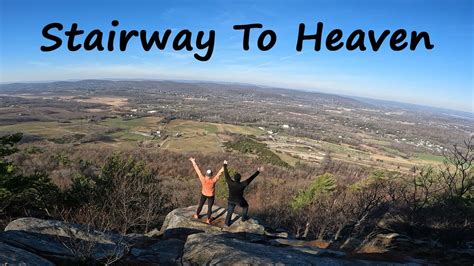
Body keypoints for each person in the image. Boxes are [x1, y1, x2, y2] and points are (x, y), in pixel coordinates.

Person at [223, 160, 263, 226]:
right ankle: (243, 219)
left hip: (230, 199)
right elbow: (251, 178)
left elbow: (226, 174)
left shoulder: (230, 182)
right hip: (239, 200)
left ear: (234, 178)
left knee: (230, 212)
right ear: (240, 179)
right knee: (246, 207)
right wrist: (258, 171)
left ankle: (227, 224)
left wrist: (225, 164)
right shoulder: (242, 184)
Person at [189, 157, 224, 224]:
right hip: (211, 195)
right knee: (209, 207)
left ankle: (197, 215)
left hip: (204, 194)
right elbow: (219, 173)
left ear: (206, 174)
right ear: (211, 175)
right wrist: (224, 166)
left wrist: (193, 161)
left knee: (201, 205)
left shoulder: (203, 179)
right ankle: (208, 219)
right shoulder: (213, 180)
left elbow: (197, 170)